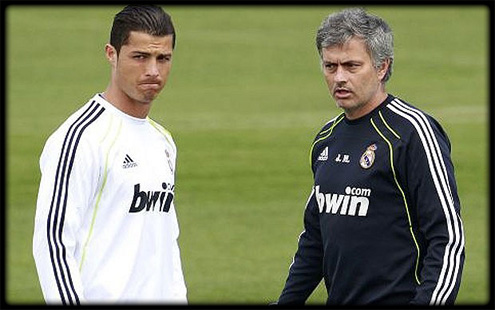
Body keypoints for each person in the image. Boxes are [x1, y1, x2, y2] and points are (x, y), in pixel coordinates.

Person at [277, 8, 465, 305]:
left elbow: (448, 238)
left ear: (381, 67)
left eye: (351, 66)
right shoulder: (326, 139)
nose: (339, 77)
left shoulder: (413, 133)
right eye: (330, 66)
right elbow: (315, 240)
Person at [32, 5, 187, 304]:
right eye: (140, 57)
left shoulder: (163, 141)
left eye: (163, 58)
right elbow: (53, 243)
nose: (153, 71)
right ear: (111, 54)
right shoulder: (81, 138)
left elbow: (166, 244)